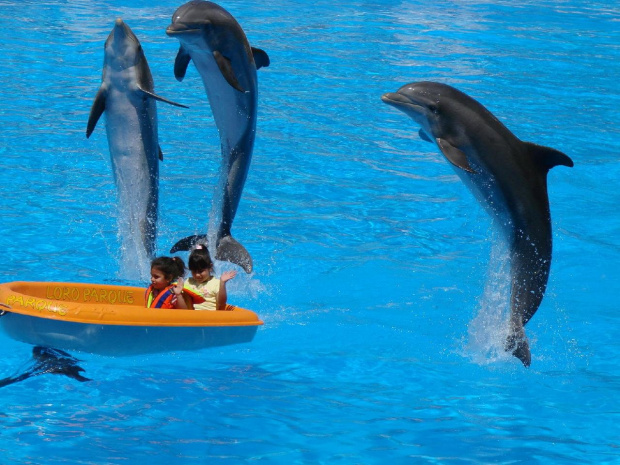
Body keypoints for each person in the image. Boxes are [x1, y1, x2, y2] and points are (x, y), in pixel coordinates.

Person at [183, 244, 236, 311]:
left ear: (210, 267)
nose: (197, 275)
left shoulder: (216, 283)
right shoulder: (188, 282)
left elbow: (221, 303)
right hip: (192, 318)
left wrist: (222, 283)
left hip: (209, 317)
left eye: (200, 271)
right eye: (194, 271)